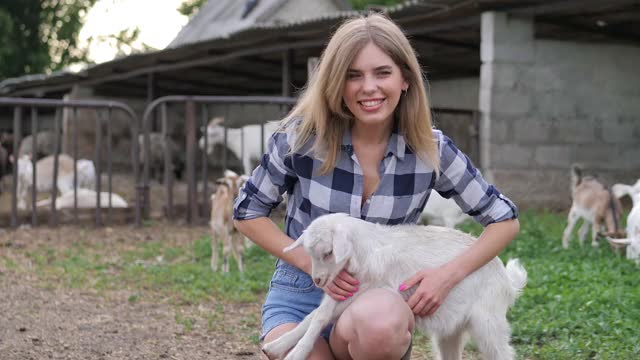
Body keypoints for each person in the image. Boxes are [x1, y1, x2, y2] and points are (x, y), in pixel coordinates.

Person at [233, 13, 519, 360]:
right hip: (302, 290)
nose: (368, 87)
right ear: (336, 83)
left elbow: (504, 220)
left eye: (382, 73)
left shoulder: (431, 149)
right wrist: (312, 265)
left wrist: (445, 276)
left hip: (376, 302)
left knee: (380, 324)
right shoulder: (300, 140)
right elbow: (247, 213)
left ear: (405, 80)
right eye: (353, 76)